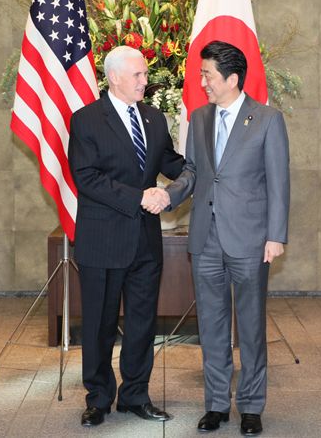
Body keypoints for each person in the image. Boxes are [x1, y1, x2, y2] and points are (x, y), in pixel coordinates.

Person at [160, 41, 290, 435]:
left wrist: (276, 235)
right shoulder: (199, 118)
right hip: (206, 240)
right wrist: (169, 194)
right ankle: (216, 405)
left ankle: (251, 406)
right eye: (202, 75)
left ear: (232, 79)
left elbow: (278, 182)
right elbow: (194, 173)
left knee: (249, 326)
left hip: (251, 240)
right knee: (212, 326)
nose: (202, 83)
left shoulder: (267, 119)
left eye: (208, 75)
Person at [68, 45, 184, 427]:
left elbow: (169, 162)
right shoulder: (86, 120)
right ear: (114, 76)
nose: (145, 81)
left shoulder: (153, 118)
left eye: (146, 74)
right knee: (100, 323)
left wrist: (207, 164)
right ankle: (99, 397)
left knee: (141, 322)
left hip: (145, 242)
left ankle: (135, 394)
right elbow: (86, 178)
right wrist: (139, 197)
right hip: (102, 241)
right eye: (137, 75)